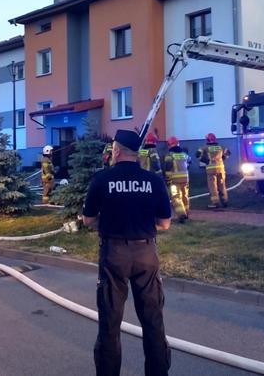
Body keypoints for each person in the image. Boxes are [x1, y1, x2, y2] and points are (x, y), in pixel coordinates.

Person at [83, 129, 172, 376]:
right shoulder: (153, 181)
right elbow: (164, 223)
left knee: (110, 323)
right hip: (146, 253)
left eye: (112, 149)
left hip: (114, 255)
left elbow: (88, 220)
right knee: (153, 321)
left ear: (117, 150)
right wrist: (142, 224)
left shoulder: (102, 179)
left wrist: (111, 222)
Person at [196, 133, 230, 209]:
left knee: (213, 187)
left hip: (211, 170)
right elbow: (228, 153)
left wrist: (205, 161)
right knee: (222, 185)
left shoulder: (205, 148)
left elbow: (197, 154)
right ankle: (225, 201)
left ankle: (215, 203)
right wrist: (223, 159)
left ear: (207, 140)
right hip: (221, 169)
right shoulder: (221, 147)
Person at [163, 136, 190, 223]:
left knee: (176, 197)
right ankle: (186, 212)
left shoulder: (169, 155)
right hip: (185, 179)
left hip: (174, 180)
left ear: (169, 145)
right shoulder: (184, 154)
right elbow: (190, 161)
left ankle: (181, 215)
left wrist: (167, 179)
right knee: (185, 196)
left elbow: (167, 167)